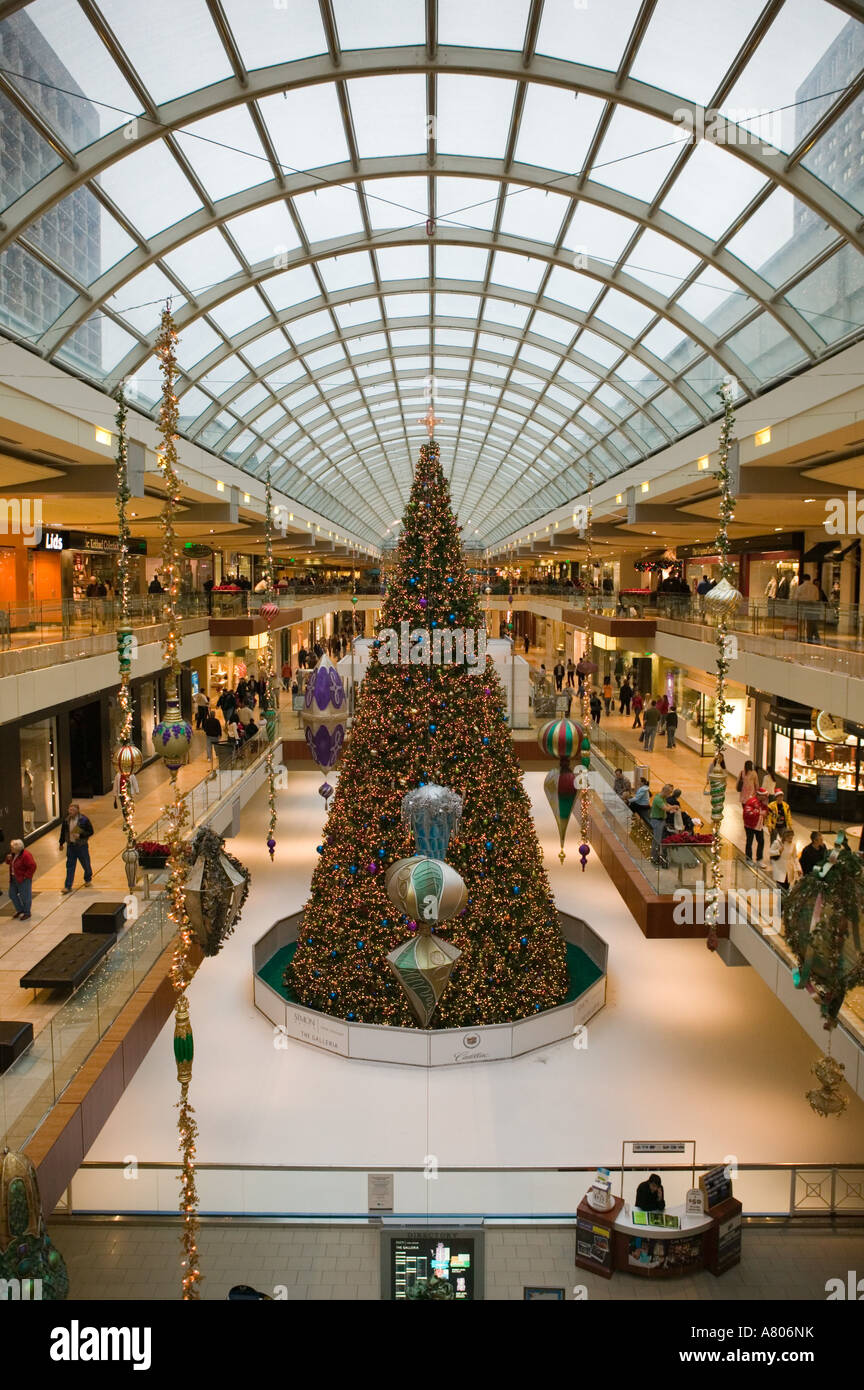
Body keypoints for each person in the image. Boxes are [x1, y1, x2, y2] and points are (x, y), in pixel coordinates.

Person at [59, 801, 94, 893]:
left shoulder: (84, 820)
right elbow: (63, 832)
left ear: (77, 811)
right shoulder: (66, 820)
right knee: (70, 866)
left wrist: (81, 836)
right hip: (71, 846)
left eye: (73, 810)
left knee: (85, 864)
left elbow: (91, 832)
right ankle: (68, 886)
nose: (70, 812)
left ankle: (88, 878)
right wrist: (61, 843)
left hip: (81, 846)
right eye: (70, 810)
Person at [6, 838, 36, 919]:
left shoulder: (26, 855)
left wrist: (26, 876)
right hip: (14, 878)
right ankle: (20, 910)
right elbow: (12, 864)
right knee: (12, 894)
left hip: (23, 879)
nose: (11, 849)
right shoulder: (13, 854)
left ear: (17, 848)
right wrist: (8, 859)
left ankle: (27, 912)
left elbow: (32, 866)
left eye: (12, 848)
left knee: (25, 896)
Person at [742, 788, 769, 863]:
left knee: (761, 842)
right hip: (750, 826)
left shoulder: (762, 802)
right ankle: (748, 859)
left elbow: (765, 811)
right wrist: (759, 813)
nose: (764, 797)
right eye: (763, 796)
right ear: (759, 795)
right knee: (749, 842)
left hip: (759, 825)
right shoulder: (751, 801)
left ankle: (759, 859)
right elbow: (747, 813)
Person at [649, 783, 673, 863]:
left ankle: (659, 856)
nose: (670, 795)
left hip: (661, 821)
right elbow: (666, 808)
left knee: (660, 839)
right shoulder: (658, 799)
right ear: (665, 791)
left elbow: (667, 805)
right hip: (657, 821)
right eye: (669, 793)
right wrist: (672, 808)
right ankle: (654, 858)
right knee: (657, 840)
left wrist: (673, 807)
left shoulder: (663, 798)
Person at [795, 572, 821, 643]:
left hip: (802, 607)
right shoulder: (815, 588)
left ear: (803, 579)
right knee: (811, 623)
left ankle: (801, 637)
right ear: (810, 579)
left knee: (802, 622)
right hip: (812, 607)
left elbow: (796, 598)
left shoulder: (800, 587)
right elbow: (817, 598)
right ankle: (809, 637)